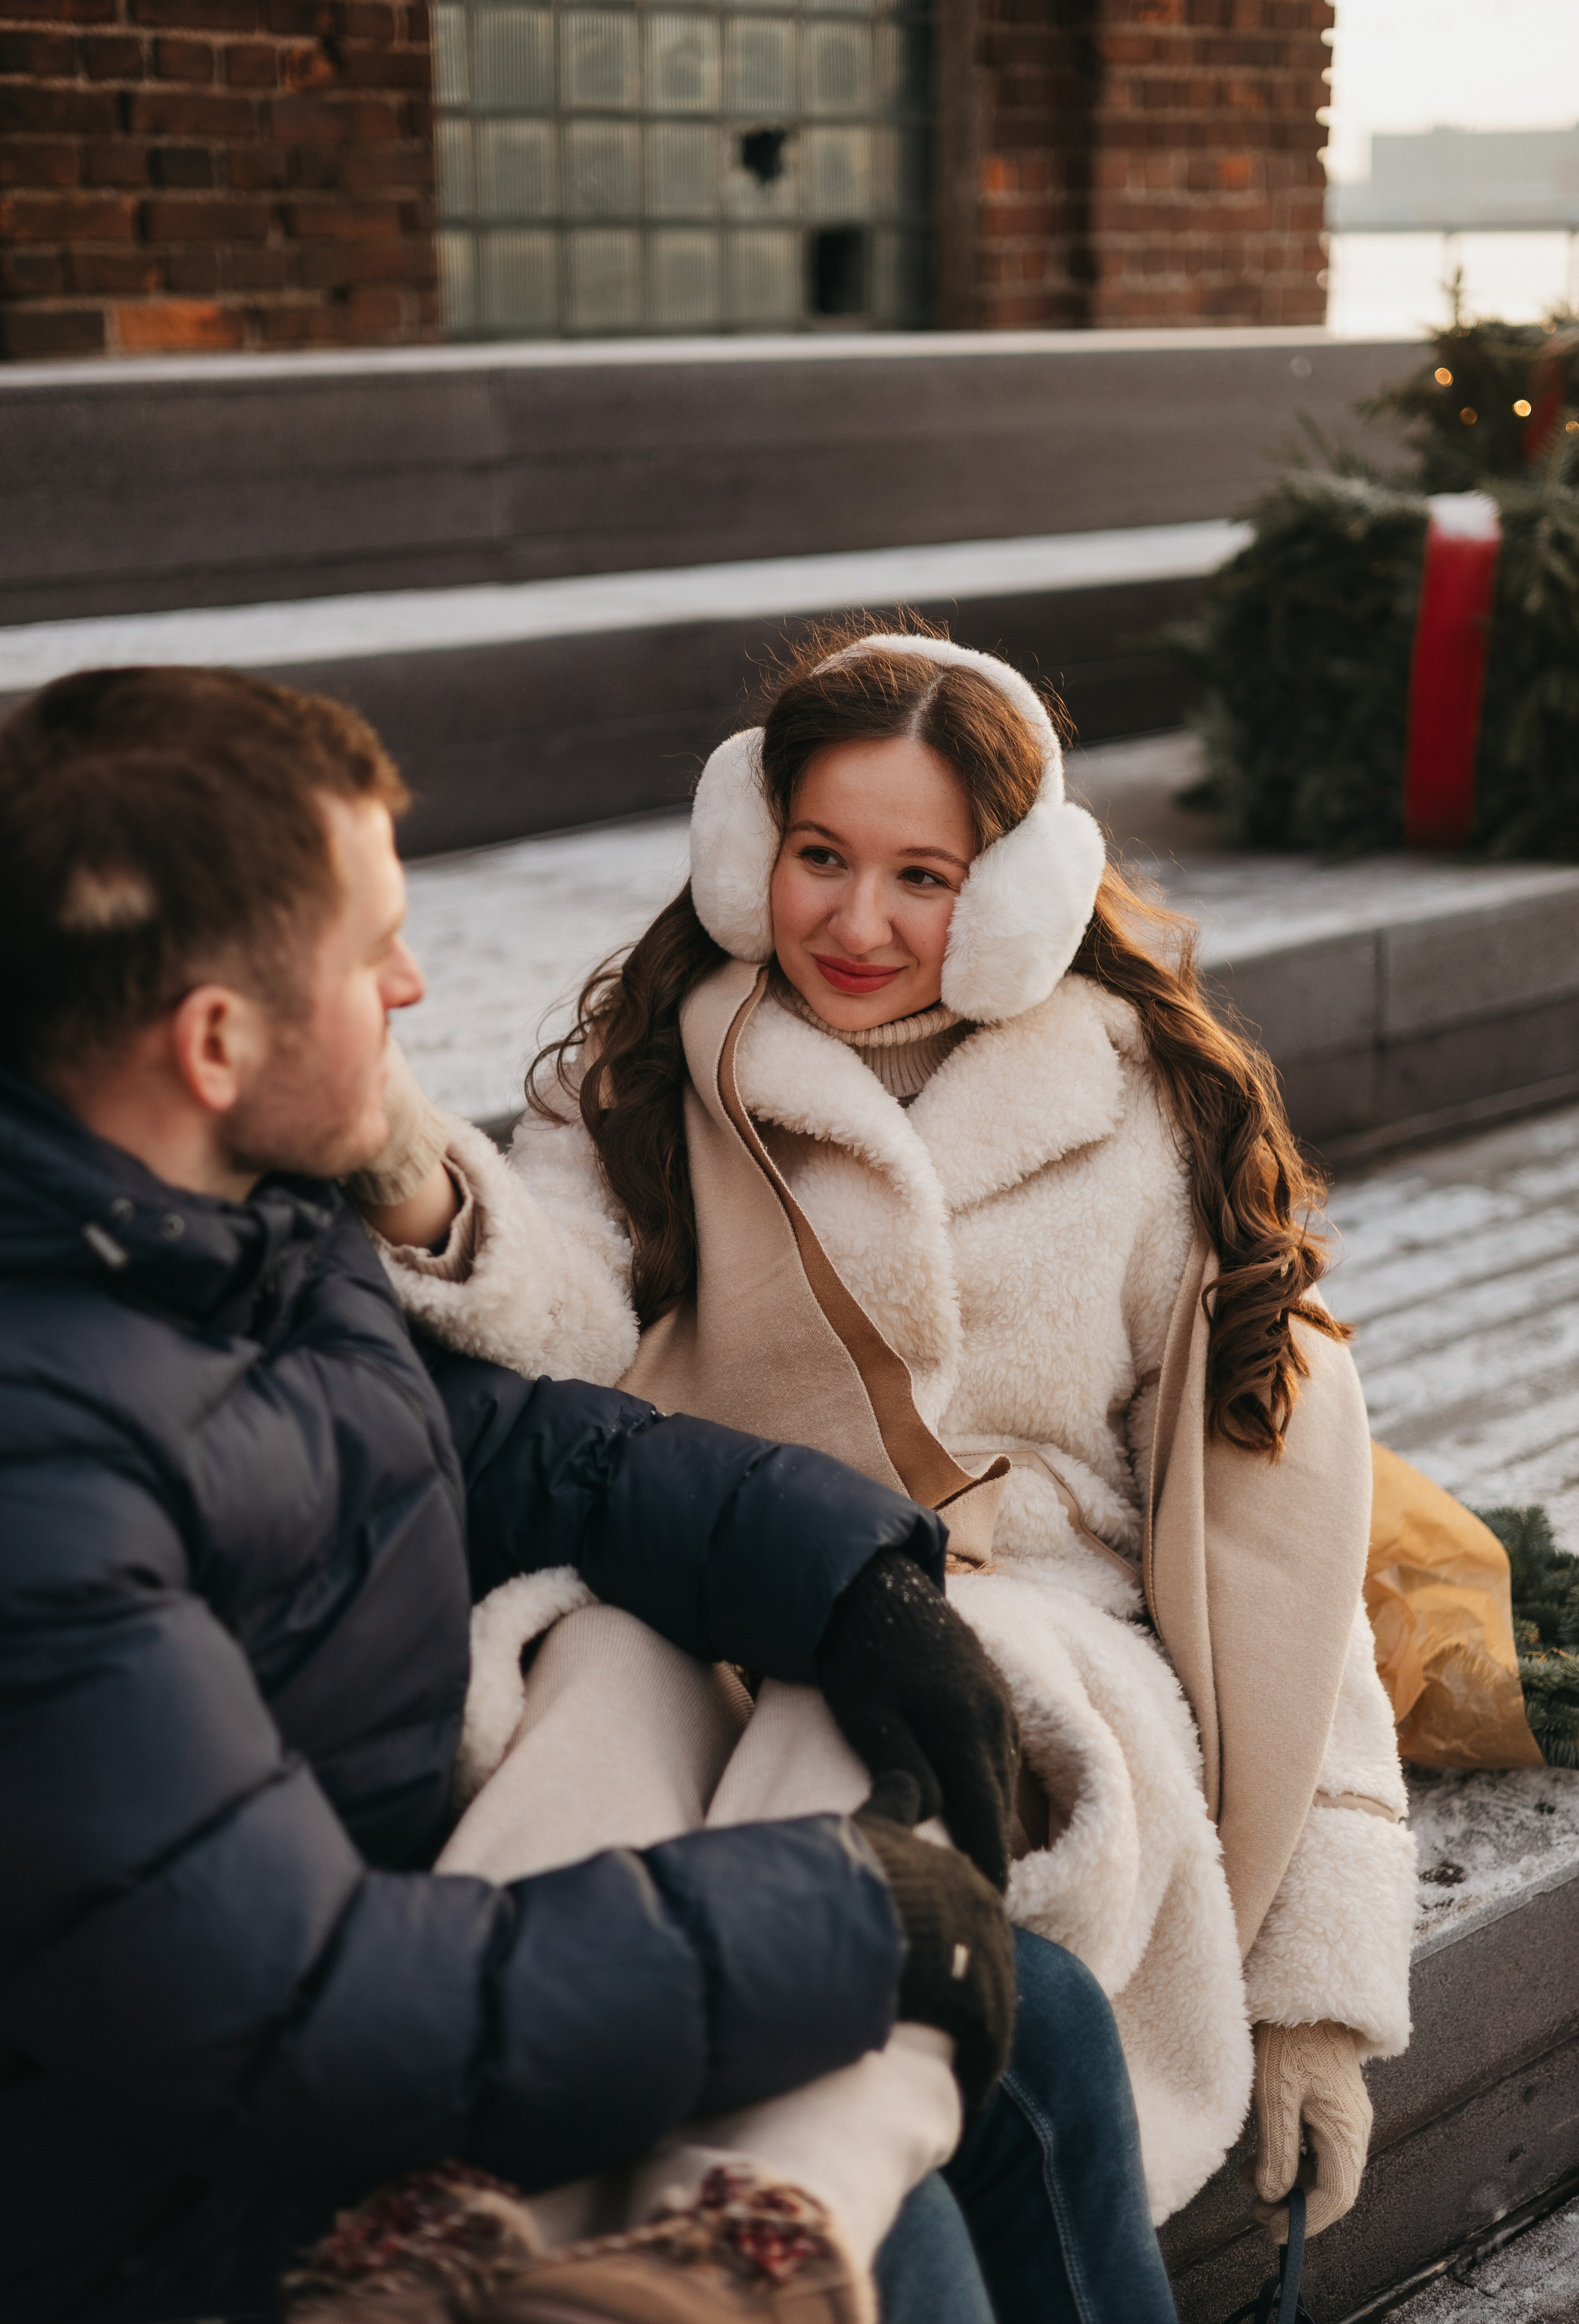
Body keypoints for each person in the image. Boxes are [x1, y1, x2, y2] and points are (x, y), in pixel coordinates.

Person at [378, 621, 1417, 2283]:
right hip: (710, 1581)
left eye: (923, 875)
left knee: (852, 1686)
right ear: (746, 848)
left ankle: (742, 2231)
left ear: (1015, 895)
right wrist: (424, 1192)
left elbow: (1280, 1547)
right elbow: (560, 1315)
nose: (857, 924)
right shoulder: (657, 1069)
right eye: (818, 856)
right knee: (602, 1682)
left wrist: (1322, 1983)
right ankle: (432, 2194)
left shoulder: (1156, 1118)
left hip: (1027, 1646)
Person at [0, 664, 1026, 2324]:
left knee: (1002, 2000)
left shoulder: (219, 1199)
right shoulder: (39, 1471)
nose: (412, 982)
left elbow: (466, 1437)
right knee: (924, 2160)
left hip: (414, 1978)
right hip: (204, 2219)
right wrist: (854, 1917)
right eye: (368, 952)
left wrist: (851, 1579)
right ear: (212, 1040)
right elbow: (292, 2028)